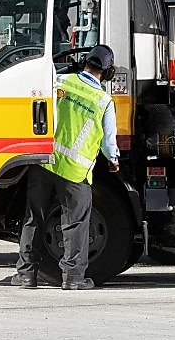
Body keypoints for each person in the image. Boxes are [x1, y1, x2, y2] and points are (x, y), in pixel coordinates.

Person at [12, 44, 120, 290]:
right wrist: (113, 160)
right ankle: (73, 278)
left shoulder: (60, 82)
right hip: (74, 171)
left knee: (33, 218)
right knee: (75, 223)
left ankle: (26, 275)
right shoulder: (103, 101)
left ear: (85, 63)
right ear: (108, 72)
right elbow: (108, 143)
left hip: (43, 162)